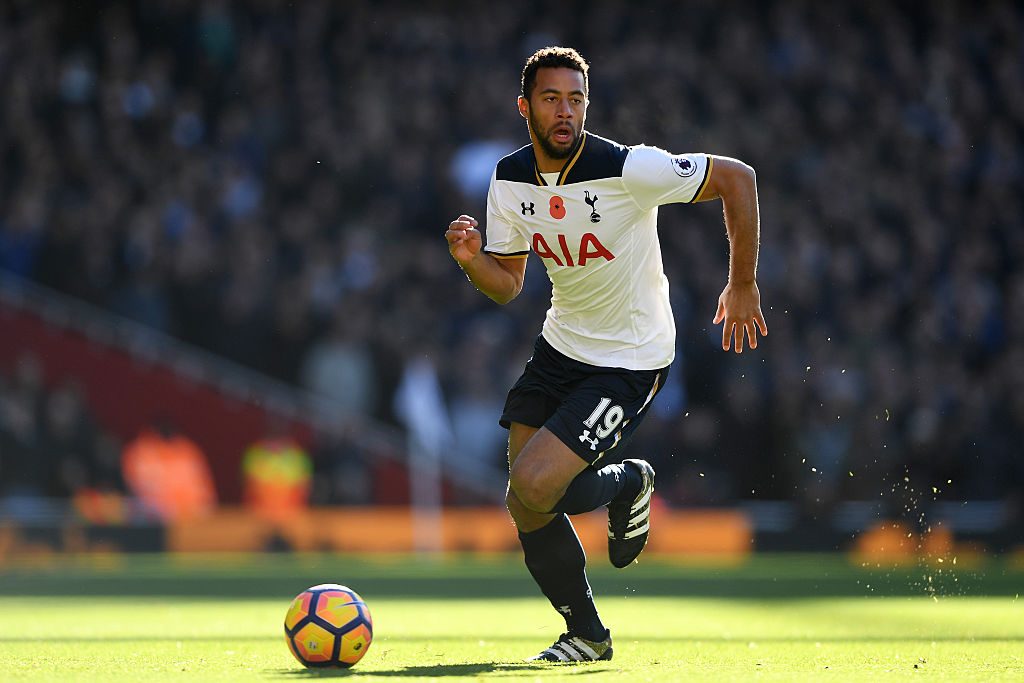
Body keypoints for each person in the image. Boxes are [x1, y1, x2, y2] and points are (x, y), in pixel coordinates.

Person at [445, 46, 767, 662]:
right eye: (551, 99)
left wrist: (744, 282)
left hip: (632, 357)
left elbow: (738, 177)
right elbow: (509, 283)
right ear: (525, 108)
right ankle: (588, 635)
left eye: (576, 99)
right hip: (561, 345)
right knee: (524, 499)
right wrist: (471, 262)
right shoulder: (509, 180)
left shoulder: (626, 167)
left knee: (535, 484)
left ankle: (626, 483)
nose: (565, 112)